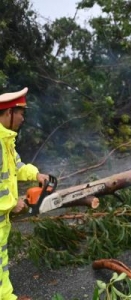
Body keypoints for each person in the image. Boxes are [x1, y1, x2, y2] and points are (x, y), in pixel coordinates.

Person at [0, 87, 49, 300]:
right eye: (20, 112)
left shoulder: (6, 140)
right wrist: (13, 204)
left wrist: (37, 175)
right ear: (9, 112)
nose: (23, 118)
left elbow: (17, 166)